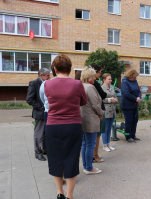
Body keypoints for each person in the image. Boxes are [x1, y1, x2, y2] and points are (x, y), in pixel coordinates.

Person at [44, 54, 87, 199]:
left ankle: (59, 193)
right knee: (71, 158)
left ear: (55, 69)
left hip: (53, 126)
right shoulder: (77, 84)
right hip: (72, 125)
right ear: (70, 69)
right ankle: (70, 195)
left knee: (55, 158)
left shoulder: (47, 84)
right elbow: (83, 102)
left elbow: (49, 100)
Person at [80, 67, 104, 175]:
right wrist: (101, 113)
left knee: (85, 144)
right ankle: (89, 168)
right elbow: (95, 104)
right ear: (89, 76)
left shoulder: (81, 86)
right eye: (94, 75)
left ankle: (86, 166)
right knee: (90, 144)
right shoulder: (90, 87)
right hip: (91, 118)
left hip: (83, 117)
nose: (95, 77)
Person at [26, 68, 50, 161]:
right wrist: (40, 107)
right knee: (39, 133)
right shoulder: (34, 83)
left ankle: (44, 150)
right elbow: (29, 99)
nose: (49, 77)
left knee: (45, 133)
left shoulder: (48, 83)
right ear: (41, 75)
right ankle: (38, 152)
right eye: (47, 75)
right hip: (39, 113)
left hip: (47, 112)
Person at [90, 64, 107, 163]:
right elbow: (103, 95)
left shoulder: (83, 83)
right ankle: (95, 155)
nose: (100, 74)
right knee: (97, 135)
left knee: (88, 137)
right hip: (98, 112)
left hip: (88, 113)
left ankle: (91, 156)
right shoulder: (95, 83)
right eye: (100, 72)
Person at [121, 68, 141, 143]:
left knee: (135, 120)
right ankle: (128, 136)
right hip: (127, 105)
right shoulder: (125, 82)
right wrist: (135, 99)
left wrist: (139, 97)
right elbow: (126, 94)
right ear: (130, 76)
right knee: (129, 121)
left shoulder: (135, 81)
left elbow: (138, 91)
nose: (135, 78)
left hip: (134, 105)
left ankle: (133, 135)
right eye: (134, 77)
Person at [101, 73, 118, 152]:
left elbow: (115, 96)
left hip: (112, 111)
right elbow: (101, 99)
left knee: (109, 129)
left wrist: (115, 100)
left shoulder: (111, 88)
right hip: (106, 111)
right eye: (109, 79)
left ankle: (108, 144)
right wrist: (109, 100)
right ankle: (104, 145)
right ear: (104, 80)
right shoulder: (101, 88)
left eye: (111, 79)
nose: (110, 80)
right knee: (105, 129)